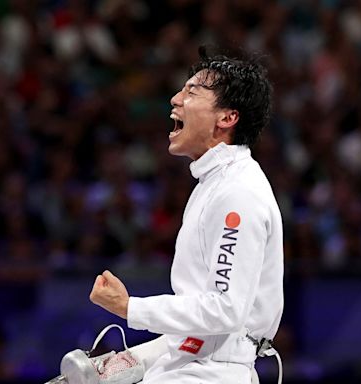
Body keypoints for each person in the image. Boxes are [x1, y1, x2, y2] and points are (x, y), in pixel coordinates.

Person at [89, 46, 284, 384]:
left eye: (192, 91)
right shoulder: (212, 185)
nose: (175, 99)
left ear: (227, 118)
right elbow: (197, 332)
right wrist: (125, 362)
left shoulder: (238, 192)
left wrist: (129, 308)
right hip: (192, 367)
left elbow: (225, 310)